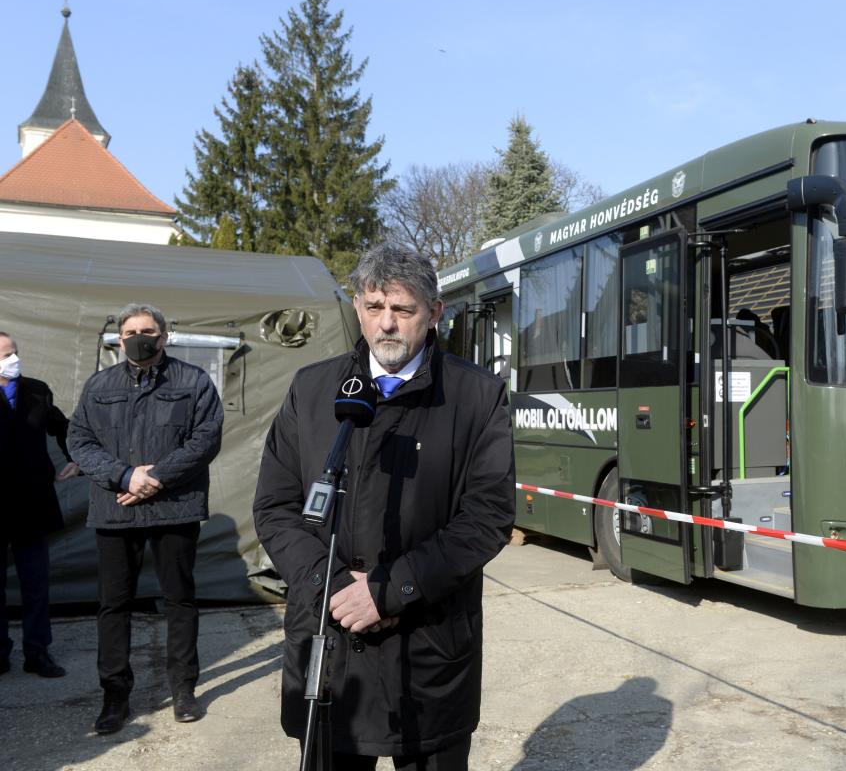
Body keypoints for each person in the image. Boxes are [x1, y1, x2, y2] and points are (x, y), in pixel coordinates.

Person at [254, 245, 515, 770]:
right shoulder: (313, 390)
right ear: (357, 307)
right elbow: (275, 506)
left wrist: (386, 592)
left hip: (427, 651)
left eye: (403, 309)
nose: (387, 324)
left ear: (435, 312)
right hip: (330, 648)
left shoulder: (477, 396)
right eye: (375, 307)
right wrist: (332, 588)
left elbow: (486, 518)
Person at [67, 304, 223, 735]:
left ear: (165, 336)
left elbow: (206, 437)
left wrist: (155, 477)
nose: (140, 337)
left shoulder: (193, 381)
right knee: (114, 605)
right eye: (131, 331)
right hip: (115, 508)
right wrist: (124, 476)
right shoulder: (99, 385)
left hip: (175, 507)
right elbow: (78, 439)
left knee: (180, 599)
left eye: (148, 331)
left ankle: (183, 688)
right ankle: (115, 695)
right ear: (119, 339)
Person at [0, 331, 79, 678]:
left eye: (14, 352)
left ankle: (38, 652)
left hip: (32, 501)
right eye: (5, 355)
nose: (13, 359)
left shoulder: (36, 390)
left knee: (35, 583)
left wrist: (73, 457)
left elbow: (63, 427)